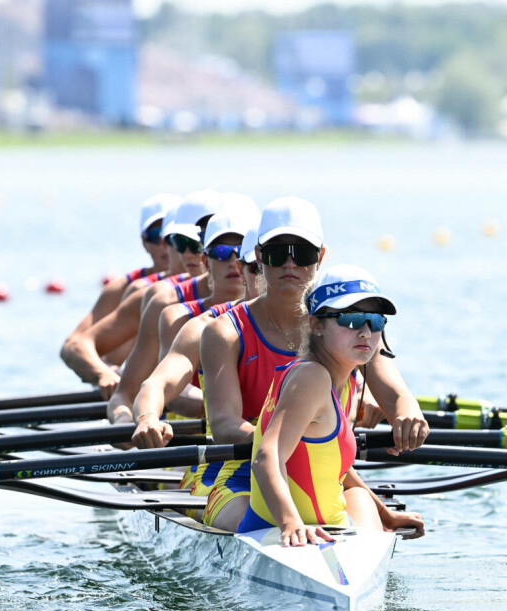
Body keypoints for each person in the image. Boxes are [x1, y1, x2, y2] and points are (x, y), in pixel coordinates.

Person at [199, 197, 428, 532]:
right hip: (241, 475)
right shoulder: (226, 331)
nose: (290, 264)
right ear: (260, 256)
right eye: (278, 252)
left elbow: (396, 397)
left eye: (302, 252)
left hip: (316, 479)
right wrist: (298, 431)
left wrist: (409, 415)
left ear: (319, 257)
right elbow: (225, 427)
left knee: (357, 502)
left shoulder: (348, 331)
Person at [238, 265, 425, 545]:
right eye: (351, 319)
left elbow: (331, 464)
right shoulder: (311, 377)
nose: (364, 332)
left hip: (330, 529)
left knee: (359, 495)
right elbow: (266, 458)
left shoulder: (346, 379)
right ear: (317, 325)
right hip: (283, 534)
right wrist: (291, 525)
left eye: (374, 321)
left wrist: (386, 515)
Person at [106, 202, 260, 426]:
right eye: (221, 252)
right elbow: (158, 389)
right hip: (187, 440)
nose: (231, 261)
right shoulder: (177, 315)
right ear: (205, 261)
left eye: (239, 252)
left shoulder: (296, 320)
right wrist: (128, 419)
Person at [59, 190, 220, 397]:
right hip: (152, 402)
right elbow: (75, 346)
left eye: (197, 241)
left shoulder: (242, 287)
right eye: (176, 240)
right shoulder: (146, 294)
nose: (189, 251)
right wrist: (105, 374)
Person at [61, 193, 179, 369]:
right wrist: (102, 373)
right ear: (144, 242)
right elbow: (71, 346)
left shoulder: (214, 284)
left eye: (172, 236)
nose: (164, 244)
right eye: (156, 235)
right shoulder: (126, 289)